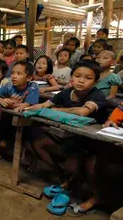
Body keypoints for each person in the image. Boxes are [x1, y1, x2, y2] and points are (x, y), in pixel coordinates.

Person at [26, 61, 108, 214]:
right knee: (37, 144)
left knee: (88, 168)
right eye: (77, 76)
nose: (81, 80)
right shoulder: (66, 92)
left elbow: (83, 112)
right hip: (71, 137)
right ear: (72, 77)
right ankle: (64, 179)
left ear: (96, 81)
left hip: (95, 142)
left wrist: (58, 109)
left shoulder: (97, 95)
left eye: (88, 78)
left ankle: (97, 196)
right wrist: (27, 107)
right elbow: (44, 106)